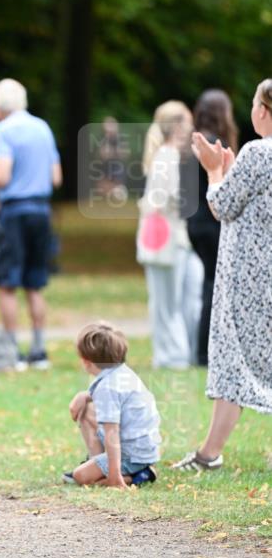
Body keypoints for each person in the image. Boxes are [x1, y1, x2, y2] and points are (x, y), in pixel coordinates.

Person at [173, 79, 272, 472]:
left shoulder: (258, 152)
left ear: (262, 110)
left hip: (249, 277)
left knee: (234, 358)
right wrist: (229, 171)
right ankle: (209, 453)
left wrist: (214, 172)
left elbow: (220, 205)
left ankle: (209, 454)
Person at [0, 78, 62, 369]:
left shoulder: (3, 130)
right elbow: (56, 177)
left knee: (7, 283)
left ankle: (12, 351)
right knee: (35, 283)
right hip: (42, 211)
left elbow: (2, 176)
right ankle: (39, 348)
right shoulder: (42, 128)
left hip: (14, 211)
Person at [136, 100, 203, 368]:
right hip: (171, 237)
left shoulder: (166, 155)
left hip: (169, 238)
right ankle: (175, 354)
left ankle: (173, 355)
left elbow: (162, 200)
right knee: (172, 302)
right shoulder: (169, 155)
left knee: (167, 302)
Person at [62, 321, 161, 489]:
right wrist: (84, 396)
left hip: (131, 455)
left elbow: (112, 433)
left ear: (86, 361)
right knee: (87, 409)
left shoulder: (107, 388)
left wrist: (115, 478)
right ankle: (99, 464)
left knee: (80, 476)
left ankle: (135, 476)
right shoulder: (122, 372)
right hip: (143, 449)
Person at [181, 90, 238, 366]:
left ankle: (203, 350)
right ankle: (205, 352)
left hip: (195, 224)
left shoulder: (193, 142)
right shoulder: (215, 144)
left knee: (209, 284)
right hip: (213, 222)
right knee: (215, 287)